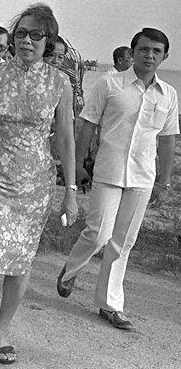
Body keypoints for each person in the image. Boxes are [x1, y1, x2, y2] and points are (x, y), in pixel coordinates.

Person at [0, 3, 77, 365]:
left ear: (49, 42)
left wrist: (69, 192)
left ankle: (2, 330)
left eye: (35, 35)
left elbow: (66, 139)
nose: (26, 40)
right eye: (21, 33)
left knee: (21, 260)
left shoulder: (60, 83)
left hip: (36, 184)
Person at [57, 27, 178, 331]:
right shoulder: (110, 84)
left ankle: (109, 304)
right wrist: (80, 165)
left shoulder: (169, 95)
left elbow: (167, 140)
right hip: (108, 170)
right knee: (98, 233)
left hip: (142, 177)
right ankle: (71, 269)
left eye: (156, 51)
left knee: (123, 242)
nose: (149, 55)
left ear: (164, 56)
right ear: (133, 51)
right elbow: (86, 125)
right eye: (144, 49)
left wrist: (164, 182)